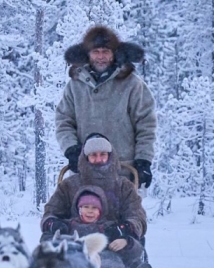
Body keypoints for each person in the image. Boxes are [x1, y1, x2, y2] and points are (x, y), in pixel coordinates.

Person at [41, 136, 152, 268]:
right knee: (48, 240)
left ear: (110, 156)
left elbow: (137, 216)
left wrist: (124, 228)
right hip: (74, 240)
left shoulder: (123, 186)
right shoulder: (69, 185)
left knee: (133, 244)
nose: (98, 159)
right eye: (93, 155)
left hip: (111, 239)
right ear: (85, 157)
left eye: (103, 154)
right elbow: (50, 212)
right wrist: (54, 223)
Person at [56, 25, 157, 190]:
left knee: (127, 208)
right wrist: (71, 150)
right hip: (83, 171)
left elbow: (146, 125)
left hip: (123, 171)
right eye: (96, 52)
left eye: (105, 51)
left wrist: (143, 160)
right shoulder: (75, 86)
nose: (101, 57)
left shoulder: (132, 84)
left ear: (114, 53)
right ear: (88, 54)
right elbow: (64, 121)